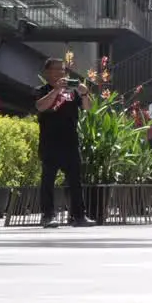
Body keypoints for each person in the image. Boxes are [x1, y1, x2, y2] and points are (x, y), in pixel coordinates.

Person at [34, 58, 94, 228]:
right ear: (47, 72)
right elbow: (40, 106)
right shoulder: (41, 90)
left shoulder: (72, 91)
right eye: (56, 69)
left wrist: (84, 93)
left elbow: (88, 108)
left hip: (70, 142)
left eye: (63, 69)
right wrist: (56, 90)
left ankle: (79, 216)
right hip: (50, 143)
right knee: (48, 181)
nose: (61, 73)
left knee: (75, 181)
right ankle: (48, 216)